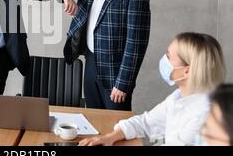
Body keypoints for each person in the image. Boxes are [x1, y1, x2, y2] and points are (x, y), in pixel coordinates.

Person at [36, 0, 150, 110]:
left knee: (114, 128)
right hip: (90, 63)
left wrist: (123, 83)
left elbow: (136, 43)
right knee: (93, 121)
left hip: (114, 73)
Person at [79, 32, 226, 146]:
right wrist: (109, 138)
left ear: (186, 71)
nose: (164, 60)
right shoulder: (179, 96)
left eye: (169, 57)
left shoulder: (205, 116)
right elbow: (145, 122)